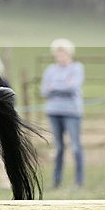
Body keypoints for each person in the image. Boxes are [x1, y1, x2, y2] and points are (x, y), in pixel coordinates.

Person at [40, 38, 84, 187]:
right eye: (58, 54)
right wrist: (63, 85)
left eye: (63, 53)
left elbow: (73, 87)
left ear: (69, 54)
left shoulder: (77, 68)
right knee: (58, 148)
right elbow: (44, 90)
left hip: (72, 112)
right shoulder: (50, 70)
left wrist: (55, 87)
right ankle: (56, 181)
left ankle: (79, 181)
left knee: (75, 146)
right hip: (53, 111)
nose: (60, 56)